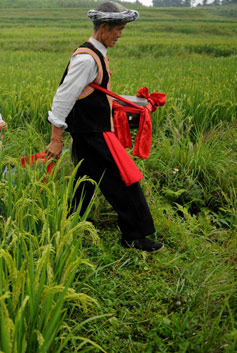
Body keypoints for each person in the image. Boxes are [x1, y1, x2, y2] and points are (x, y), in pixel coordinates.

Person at [45, 2, 164, 253]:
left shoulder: (96, 54)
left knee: (86, 179)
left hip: (91, 130)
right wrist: (56, 138)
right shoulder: (87, 59)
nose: (120, 35)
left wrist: (136, 102)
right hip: (93, 134)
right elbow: (63, 97)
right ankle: (135, 236)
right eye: (118, 29)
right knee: (124, 179)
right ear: (104, 27)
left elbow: (95, 94)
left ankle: (71, 223)